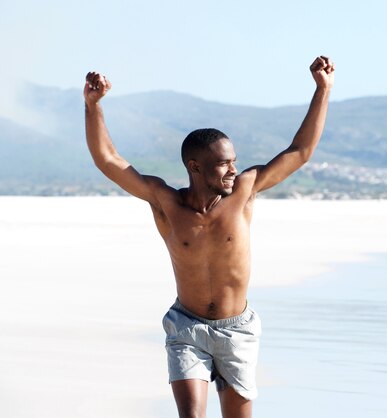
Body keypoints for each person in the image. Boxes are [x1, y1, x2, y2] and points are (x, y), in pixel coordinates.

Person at [84, 56, 335, 418]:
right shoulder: (166, 202)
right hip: (187, 327)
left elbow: (300, 152)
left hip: (238, 331)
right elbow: (108, 160)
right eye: (223, 164)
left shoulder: (244, 192)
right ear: (195, 166)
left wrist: (322, 89)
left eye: (234, 161)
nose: (233, 169)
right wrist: (93, 107)